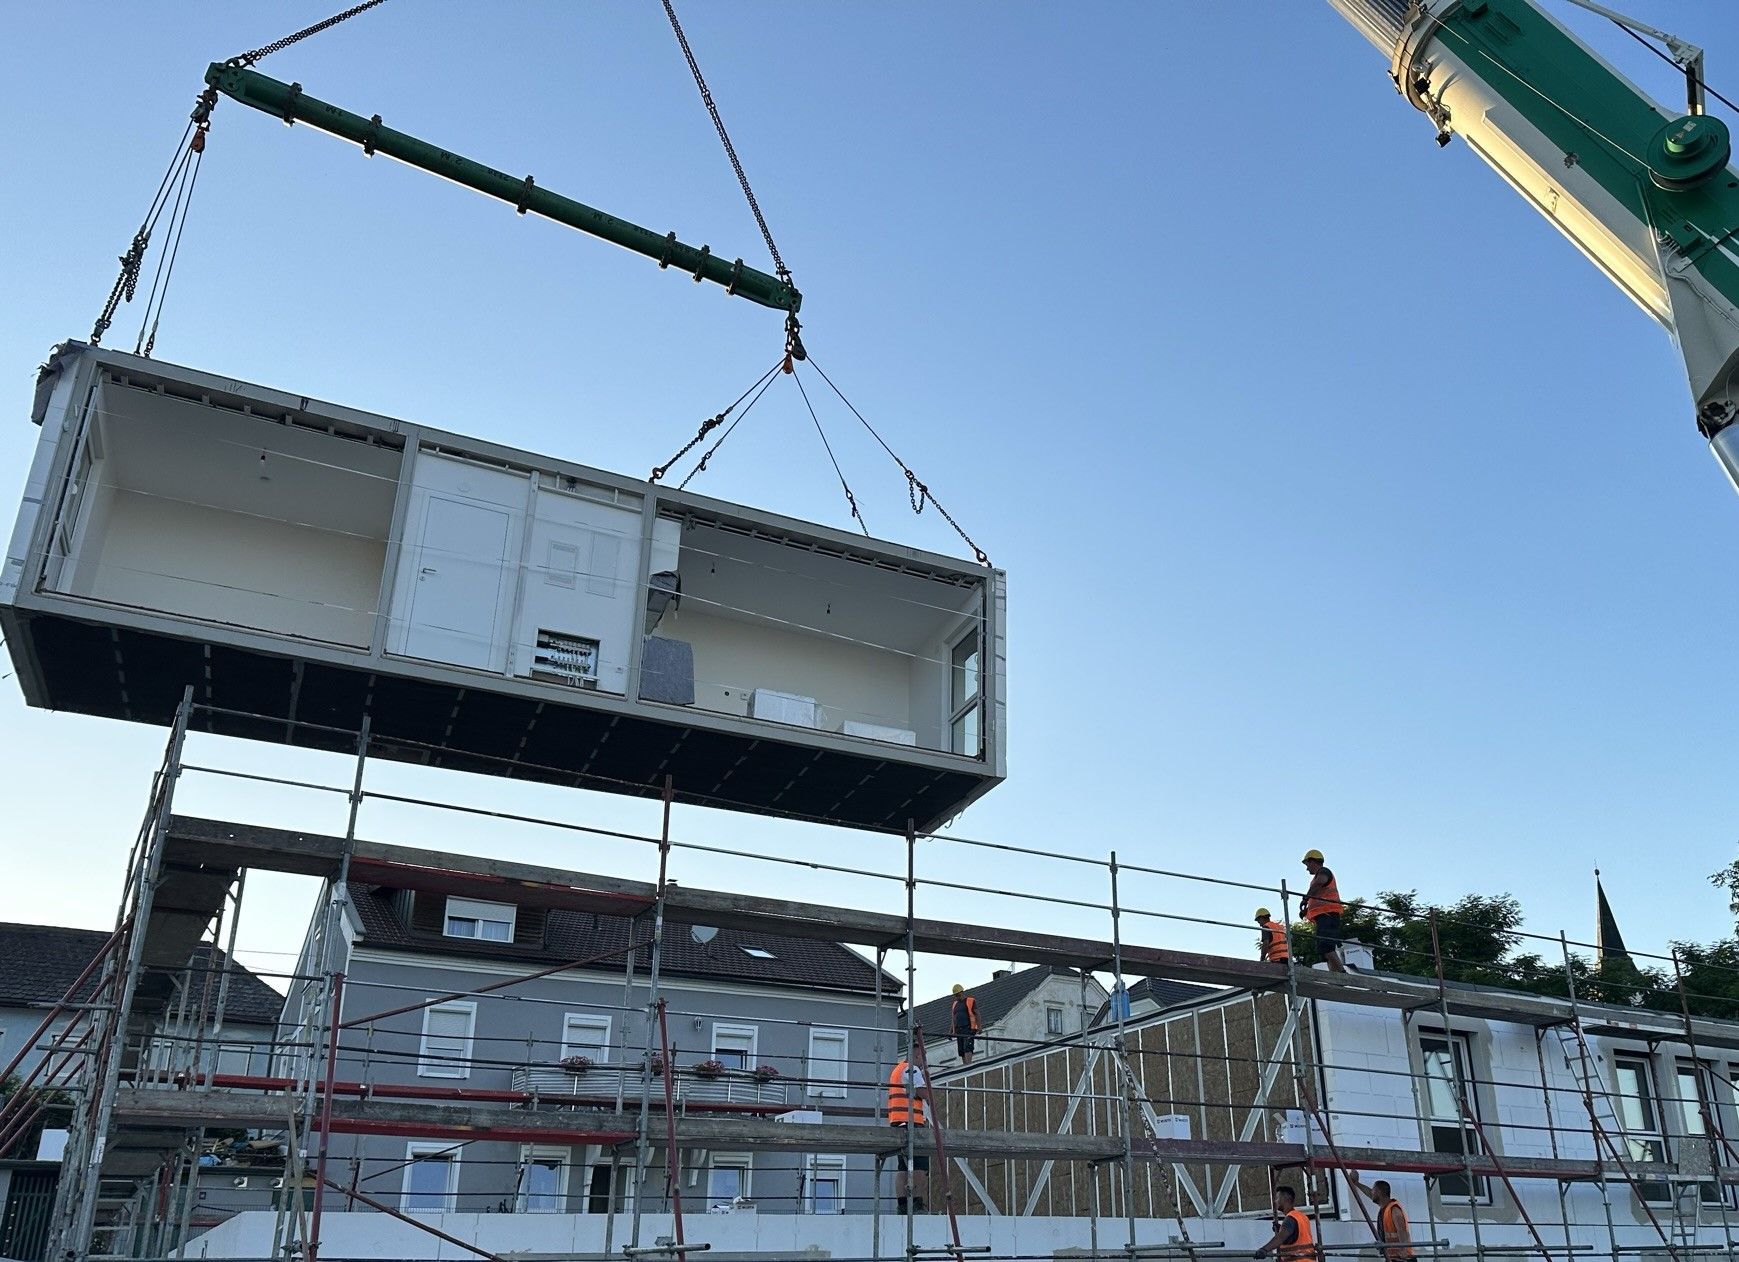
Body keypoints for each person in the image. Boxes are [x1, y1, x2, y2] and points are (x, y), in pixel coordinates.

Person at [887, 1053, 929, 1212]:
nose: (923, 1061)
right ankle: (917, 1204)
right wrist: (925, 1077)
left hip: (898, 1121)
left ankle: (902, 1205)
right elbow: (924, 1093)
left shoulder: (897, 1070)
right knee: (920, 1165)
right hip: (912, 1122)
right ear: (916, 1054)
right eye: (922, 1057)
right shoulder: (912, 1069)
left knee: (903, 1166)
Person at [1347, 1171, 1414, 1260]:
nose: (1372, 1192)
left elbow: (1402, 1231)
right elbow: (1369, 1193)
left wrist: (1403, 1250)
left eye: (1373, 1190)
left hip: (1402, 1258)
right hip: (1392, 1256)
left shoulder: (1394, 1210)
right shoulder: (1385, 1208)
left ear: (1379, 1192)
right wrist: (1356, 1183)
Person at [1301, 849, 1347, 973]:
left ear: (1313, 861)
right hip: (1325, 916)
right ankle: (1335, 975)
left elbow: (1319, 884)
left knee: (1326, 947)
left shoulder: (1323, 872)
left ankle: (1342, 973)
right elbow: (1319, 898)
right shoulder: (1319, 876)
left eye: (1307, 864)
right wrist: (1306, 911)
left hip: (1328, 915)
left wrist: (1306, 898)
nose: (1307, 869)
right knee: (1324, 949)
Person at [1252, 1184, 1314, 1259]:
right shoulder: (1302, 1217)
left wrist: (1264, 1249)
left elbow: (1280, 1238)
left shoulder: (1290, 1218)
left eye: (1277, 1198)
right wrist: (1281, 1229)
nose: (1275, 1201)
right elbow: (1295, 1239)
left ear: (1285, 1199)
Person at [951, 983, 981, 1064]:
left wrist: (979, 1027)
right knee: (961, 1050)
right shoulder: (955, 1004)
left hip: (968, 1028)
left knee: (968, 1047)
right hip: (959, 1030)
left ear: (962, 992)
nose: (957, 997)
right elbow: (954, 1018)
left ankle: (968, 1065)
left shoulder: (970, 1001)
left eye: (958, 995)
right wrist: (951, 1031)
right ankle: (965, 1066)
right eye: (955, 995)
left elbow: (977, 1013)